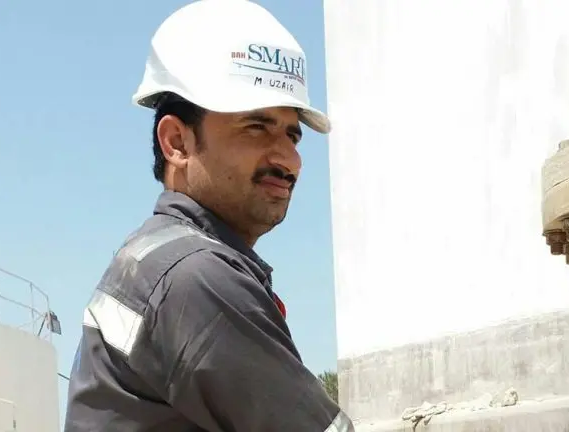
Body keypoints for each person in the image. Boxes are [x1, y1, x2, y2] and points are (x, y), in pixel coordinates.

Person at [63, 1, 354, 431]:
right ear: (176, 141)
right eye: (255, 126)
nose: (287, 158)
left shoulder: (156, 258)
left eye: (292, 134)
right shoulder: (194, 276)